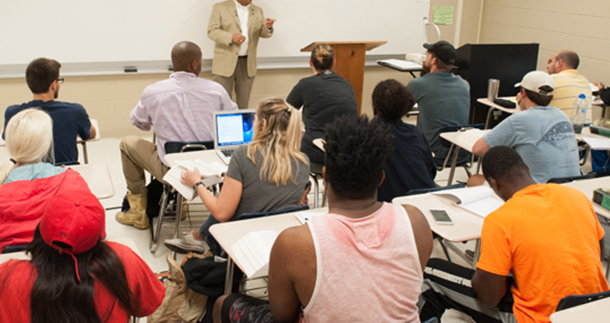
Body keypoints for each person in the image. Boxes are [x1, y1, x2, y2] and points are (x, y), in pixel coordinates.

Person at [212, 115, 433, 323]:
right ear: (381, 179)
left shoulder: (295, 243)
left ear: (325, 175)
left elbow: (282, 315)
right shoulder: (415, 221)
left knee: (222, 303)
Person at [420, 146, 609, 323]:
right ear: (526, 168)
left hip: (540, 317)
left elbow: (489, 298)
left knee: (429, 270)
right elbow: (598, 252)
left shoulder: (500, 220)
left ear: (494, 184)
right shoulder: (575, 196)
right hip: (591, 308)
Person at [0, 188, 165, 323]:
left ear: (40, 230)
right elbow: (147, 306)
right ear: (100, 237)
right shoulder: (122, 260)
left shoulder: (1, 279)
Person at [0, 109, 91, 286]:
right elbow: (88, 228)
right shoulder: (70, 179)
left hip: (7, 274)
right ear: (47, 143)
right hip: (61, 274)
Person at [165, 98, 310, 255]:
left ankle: (198, 237)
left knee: (226, 203)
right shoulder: (303, 161)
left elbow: (221, 214)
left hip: (242, 238)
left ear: (264, 125)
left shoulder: (244, 155)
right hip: (281, 237)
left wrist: (196, 183)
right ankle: (198, 236)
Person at [117, 41, 237, 229]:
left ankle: (137, 212)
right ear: (195, 64)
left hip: (173, 170)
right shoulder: (216, 90)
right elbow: (232, 120)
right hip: (211, 170)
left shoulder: (153, 91)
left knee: (127, 143)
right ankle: (180, 205)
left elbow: (139, 123)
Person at [471, 71, 581, 184]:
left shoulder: (519, 119)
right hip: (571, 188)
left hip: (539, 191)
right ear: (552, 97)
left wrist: (521, 108)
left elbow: (478, 149)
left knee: (473, 180)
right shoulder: (563, 116)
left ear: (523, 93)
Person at [4, 58, 97, 166]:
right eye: (59, 80)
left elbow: (8, 139)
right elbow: (91, 134)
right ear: (53, 84)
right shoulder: (75, 111)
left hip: (30, 177)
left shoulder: (13, 114)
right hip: (64, 174)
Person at [207, 0, 276, 108]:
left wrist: (267, 27)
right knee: (222, 102)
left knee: (243, 104)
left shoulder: (257, 10)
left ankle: (242, 128)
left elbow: (263, 33)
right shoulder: (220, 8)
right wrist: (231, 37)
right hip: (224, 62)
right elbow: (212, 31)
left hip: (247, 64)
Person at [285, 43, 358, 166]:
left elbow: (285, 111)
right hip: (348, 152)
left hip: (316, 152)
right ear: (334, 62)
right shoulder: (346, 84)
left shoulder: (305, 84)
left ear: (310, 62)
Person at [407, 40, 471, 165]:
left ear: (434, 60)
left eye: (428, 56)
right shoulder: (464, 85)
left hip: (434, 154)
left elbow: (398, 108)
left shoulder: (418, 84)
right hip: (462, 153)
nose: (425, 59)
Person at [372, 79, 436, 201]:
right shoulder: (415, 133)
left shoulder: (366, 133)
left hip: (390, 204)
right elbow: (431, 171)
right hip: (425, 201)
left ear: (374, 107)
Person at [546, 50, 592, 115]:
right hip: (582, 125)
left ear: (559, 63)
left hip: (558, 124)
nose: (547, 66)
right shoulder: (585, 81)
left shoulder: (552, 79)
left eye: (550, 61)